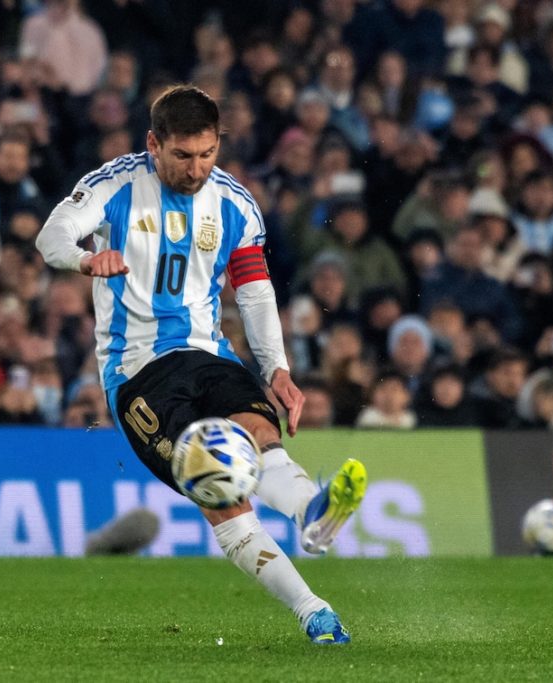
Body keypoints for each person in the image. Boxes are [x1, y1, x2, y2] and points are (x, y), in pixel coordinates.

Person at [36, 85, 366, 645]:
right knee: (220, 491)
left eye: (208, 153)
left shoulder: (234, 203)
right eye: (183, 155)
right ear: (153, 144)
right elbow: (52, 236)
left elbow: (254, 291)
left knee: (260, 432)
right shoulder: (116, 185)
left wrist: (277, 369)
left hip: (208, 352)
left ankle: (312, 513)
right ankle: (312, 610)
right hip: (137, 371)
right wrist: (86, 259)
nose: (196, 169)